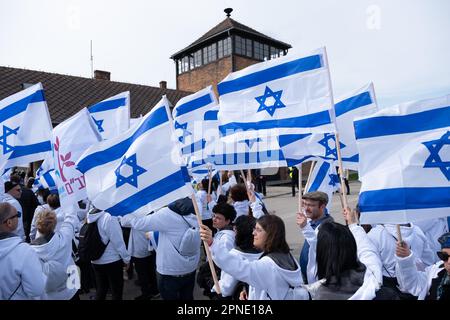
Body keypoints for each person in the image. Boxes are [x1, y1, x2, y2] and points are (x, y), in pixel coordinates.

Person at [201, 214, 303, 300]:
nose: (253, 233)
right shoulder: (285, 255)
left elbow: (239, 267)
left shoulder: (268, 264)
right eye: (254, 229)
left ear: (270, 235)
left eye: (258, 230)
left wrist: (212, 243)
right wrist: (249, 290)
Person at [120, 197, 201, 300]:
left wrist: (124, 215)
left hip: (170, 271)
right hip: (191, 267)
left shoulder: (167, 214)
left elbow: (138, 223)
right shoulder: (196, 207)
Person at [305, 208, 383, 300]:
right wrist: (353, 225)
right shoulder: (372, 280)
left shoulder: (320, 295)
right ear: (352, 248)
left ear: (321, 256)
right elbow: (368, 253)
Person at [31, 208, 80, 300]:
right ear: (55, 223)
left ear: (37, 225)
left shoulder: (30, 251)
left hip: (49, 294)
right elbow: (71, 218)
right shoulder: (64, 236)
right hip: (71, 287)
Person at [0, 202, 47, 299]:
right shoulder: (24, 251)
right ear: (9, 222)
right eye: (18, 215)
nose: (19, 217)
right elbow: (37, 289)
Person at [88, 208, 131, 300]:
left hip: (95, 260)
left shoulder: (90, 215)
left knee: (101, 290)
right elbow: (118, 242)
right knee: (116, 292)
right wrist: (126, 259)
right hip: (112, 261)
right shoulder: (109, 217)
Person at [197, 202, 236, 299]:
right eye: (213, 216)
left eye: (218, 218)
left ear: (228, 221)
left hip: (221, 280)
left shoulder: (226, 239)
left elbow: (226, 263)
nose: (214, 219)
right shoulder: (223, 233)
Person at [395, 232, 450, 300]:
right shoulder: (435, 271)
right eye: (444, 256)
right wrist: (406, 259)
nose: (449, 262)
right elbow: (413, 286)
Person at [297, 191, 334, 284]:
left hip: (319, 282)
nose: (306, 208)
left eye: (310, 205)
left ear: (322, 206)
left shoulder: (328, 227)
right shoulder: (312, 223)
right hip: (307, 280)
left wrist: (305, 228)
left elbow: (318, 245)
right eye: (304, 204)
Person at [18, 177, 39, 243]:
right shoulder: (29, 191)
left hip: (19, 216)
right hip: (28, 216)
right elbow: (37, 203)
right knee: (26, 231)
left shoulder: (11, 193)